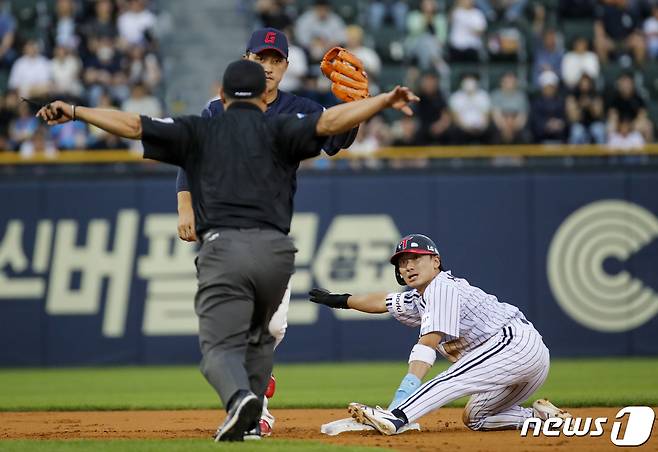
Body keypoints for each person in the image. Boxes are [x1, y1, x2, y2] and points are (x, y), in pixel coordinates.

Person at [37, 59, 419, 442]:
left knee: (220, 348)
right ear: (262, 97)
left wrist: (74, 110)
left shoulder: (202, 128)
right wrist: (382, 101)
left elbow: (134, 124)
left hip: (225, 249)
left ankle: (240, 399)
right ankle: (254, 419)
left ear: (221, 94)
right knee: (262, 337)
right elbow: (331, 123)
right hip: (276, 252)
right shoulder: (281, 126)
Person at [175, 27, 361, 436]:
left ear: (287, 67)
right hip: (222, 234)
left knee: (272, 329)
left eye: (276, 60)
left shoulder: (300, 109)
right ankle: (256, 409)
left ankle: (256, 388)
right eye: (261, 59)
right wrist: (185, 203)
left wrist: (355, 109)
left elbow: (337, 140)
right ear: (247, 61)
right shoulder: (218, 109)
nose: (269, 67)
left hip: (271, 236)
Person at [309, 233, 571, 436]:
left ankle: (397, 417)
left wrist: (402, 397)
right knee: (476, 418)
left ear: (436, 261)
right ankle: (542, 419)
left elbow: (428, 343)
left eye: (415, 258)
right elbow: (381, 302)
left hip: (514, 345)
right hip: (521, 364)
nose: (408, 266)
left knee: (451, 378)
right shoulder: (418, 298)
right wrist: (343, 300)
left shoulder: (441, 287)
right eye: (402, 262)